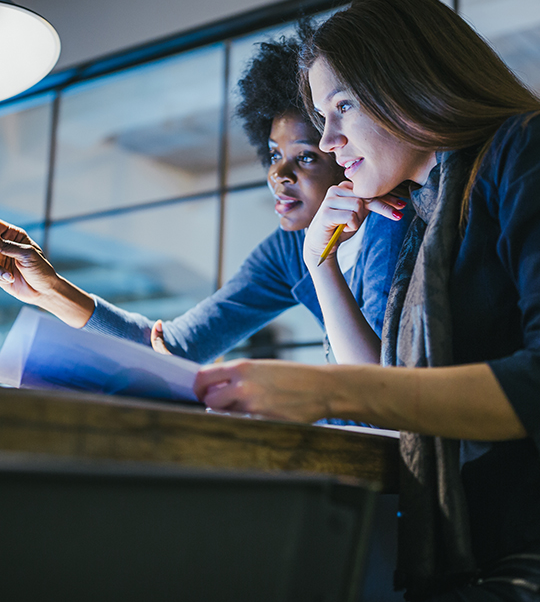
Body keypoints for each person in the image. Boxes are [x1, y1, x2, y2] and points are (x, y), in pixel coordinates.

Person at [194, 0, 540, 602]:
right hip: (495, 553)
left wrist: (323, 387)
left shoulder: (524, 151)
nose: (329, 139)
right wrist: (319, 261)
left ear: (411, 81)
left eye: (342, 107)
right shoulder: (428, 211)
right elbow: (381, 394)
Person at [0, 29, 408, 366]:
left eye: (305, 157)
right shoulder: (289, 249)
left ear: (343, 152)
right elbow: (172, 350)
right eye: (273, 155)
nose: (279, 176)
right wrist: (48, 289)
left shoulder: (396, 223)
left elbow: (384, 383)